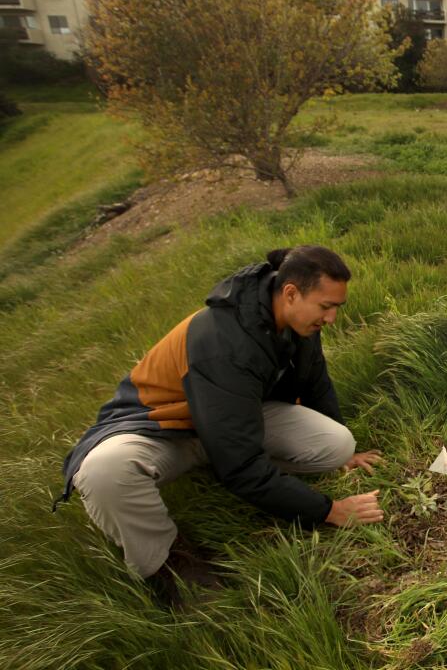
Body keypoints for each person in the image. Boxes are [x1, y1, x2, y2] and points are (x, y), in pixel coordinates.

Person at [55, 245, 385, 602]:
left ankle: (226, 460)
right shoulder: (223, 342)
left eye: (337, 307)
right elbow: (242, 467)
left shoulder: (296, 323)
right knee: (104, 473)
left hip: (229, 417)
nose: (332, 318)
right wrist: (328, 511)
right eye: (326, 307)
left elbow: (315, 380)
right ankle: (168, 564)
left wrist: (345, 458)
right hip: (162, 428)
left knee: (336, 444)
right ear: (291, 293)